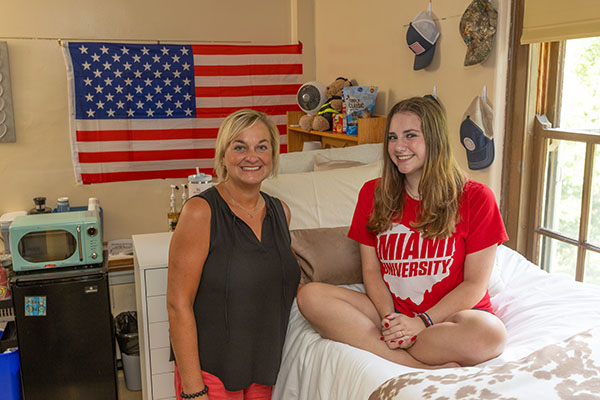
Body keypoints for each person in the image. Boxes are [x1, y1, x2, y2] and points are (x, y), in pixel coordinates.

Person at [297, 96, 508, 369]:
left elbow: (475, 284)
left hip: (453, 317)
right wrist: (392, 321)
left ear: (434, 140)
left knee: (491, 335)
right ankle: (417, 366)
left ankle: (406, 349)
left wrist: (421, 323)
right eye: (393, 137)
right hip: (393, 312)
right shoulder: (372, 194)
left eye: (411, 136)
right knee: (310, 296)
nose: (399, 147)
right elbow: (371, 272)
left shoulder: (476, 197)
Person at [167, 109, 300, 400]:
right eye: (240, 147)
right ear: (223, 156)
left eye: (261, 147)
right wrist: (193, 389)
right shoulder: (201, 212)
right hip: (211, 372)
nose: (252, 157)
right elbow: (178, 304)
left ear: (274, 155)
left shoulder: (281, 212)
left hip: (264, 370)